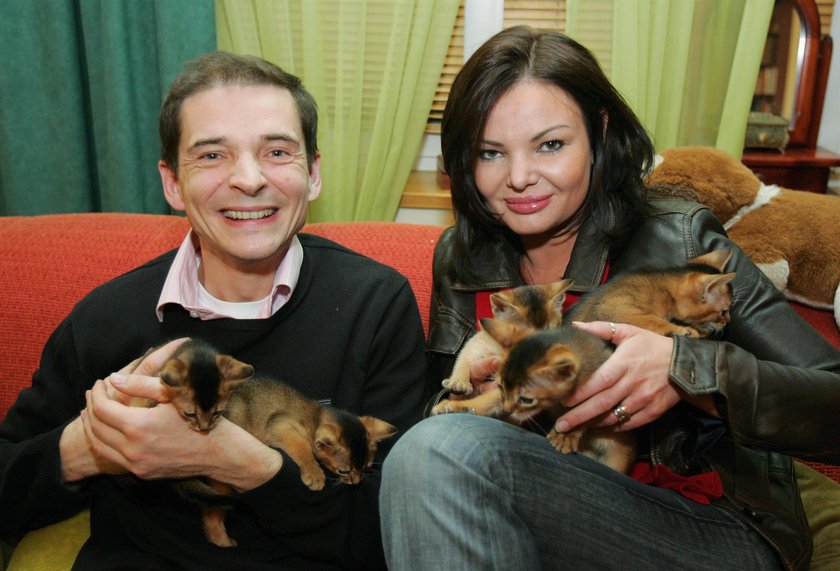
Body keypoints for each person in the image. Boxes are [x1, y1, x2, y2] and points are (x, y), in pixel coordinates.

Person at [380, 26, 840, 571]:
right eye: (490, 153)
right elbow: (439, 421)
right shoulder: (463, 254)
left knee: (442, 452)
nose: (519, 178)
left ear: (598, 133)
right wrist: (486, 399)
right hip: (543, 495)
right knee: (435, 450)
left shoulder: (679, 238)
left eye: (550, 145)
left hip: (703, 522)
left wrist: (686, 368)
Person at [0, 51, 428, 570]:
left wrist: (242, 463)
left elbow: (398, 533)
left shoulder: (376, 304)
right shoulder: (107, 315)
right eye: (211, 155)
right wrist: (91, 445)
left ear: (313, 173)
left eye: (276, 151)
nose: (248, 179)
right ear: (172, 183)